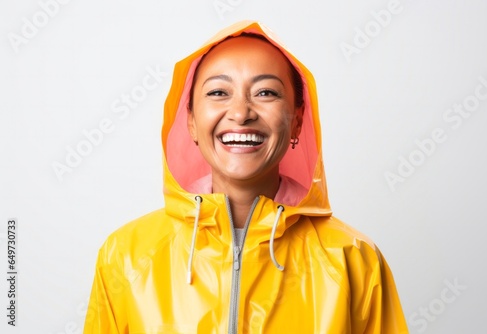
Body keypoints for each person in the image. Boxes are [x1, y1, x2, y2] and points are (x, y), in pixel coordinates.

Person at [83, 21, 409, 333]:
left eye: (266, 92)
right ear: (192, 122)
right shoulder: (125, 256)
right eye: (218, 93)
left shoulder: (353, 260)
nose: (241, 113)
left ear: (297, 121)